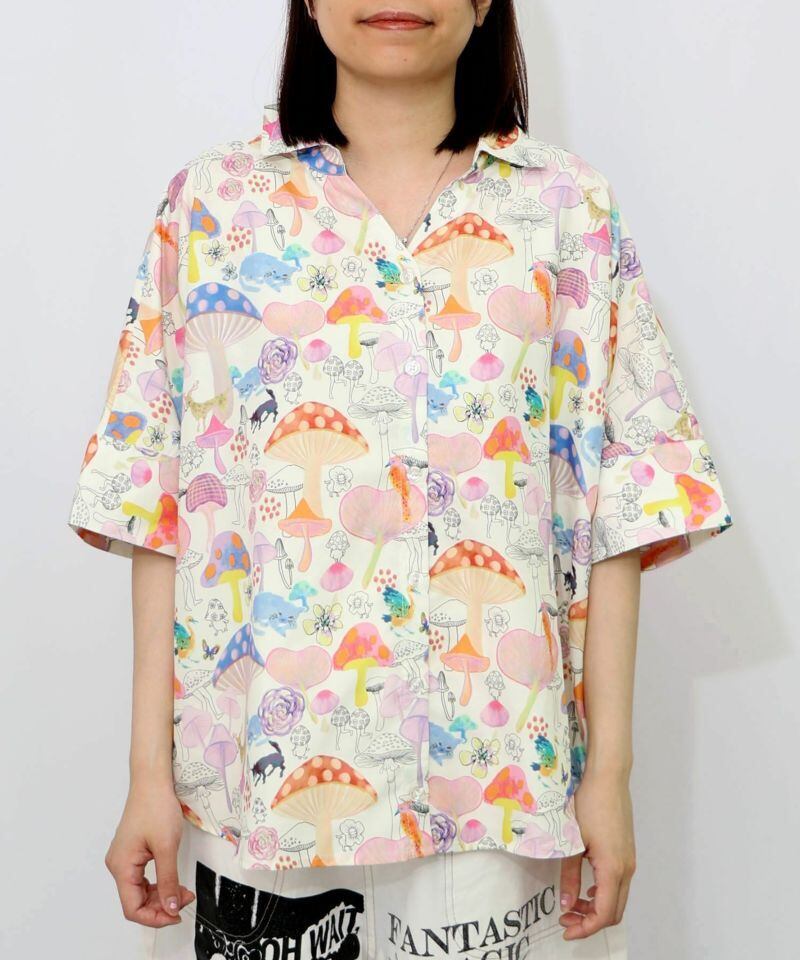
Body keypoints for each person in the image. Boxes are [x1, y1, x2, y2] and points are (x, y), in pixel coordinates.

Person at [66, 2, 735, 957]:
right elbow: (157, 503)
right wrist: (145, 776)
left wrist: (609, 779)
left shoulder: (567, 211)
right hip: (261, 795)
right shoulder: (210, 206)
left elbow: (621, 505)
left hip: (499, 791)